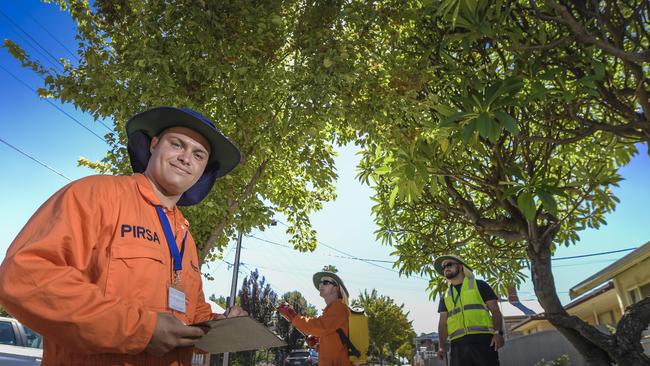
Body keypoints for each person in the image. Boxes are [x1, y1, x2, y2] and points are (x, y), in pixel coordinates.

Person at [0, 106, 246, 365]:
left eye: (199, 155)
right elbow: (22, 277)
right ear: (153, 145)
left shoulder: (185, 237)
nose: (186, 158)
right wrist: (142, 329)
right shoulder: (96, 195)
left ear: (203, 169)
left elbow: (190, 315)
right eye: (177, 144)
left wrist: (220, 325)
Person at [434, 255, 504, 366]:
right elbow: (442, 324)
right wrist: (441, 347)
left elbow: (495, 311)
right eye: (443, 267)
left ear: (461, 267)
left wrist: (498, 333)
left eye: (449, 264)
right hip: (458, 345)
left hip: (483, 341)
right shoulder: (445, 295)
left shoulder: (480, 285)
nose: (446, 268)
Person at [277, 271, 352, 366]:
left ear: (336, 288)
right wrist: (317, 344)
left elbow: (320, 326)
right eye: (320, 282)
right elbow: (334, 346)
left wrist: (293, 316)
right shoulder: (332, 310)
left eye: (325, 282)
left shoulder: (339, 307)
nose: (321, 284)